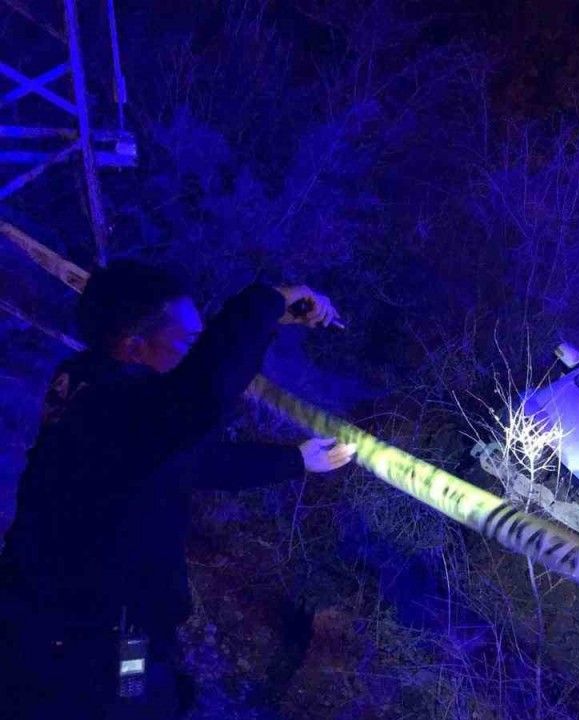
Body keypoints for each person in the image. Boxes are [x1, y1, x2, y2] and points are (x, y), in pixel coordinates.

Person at [0, 261, 355, 719]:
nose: (196, 353)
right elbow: (202, 393)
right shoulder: (110, 410)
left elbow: (186, 461)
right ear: (133, 348)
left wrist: (297, 459)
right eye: (188, 342)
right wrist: (267, 300)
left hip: (66, 626)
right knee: (131, 701)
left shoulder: (91, 392)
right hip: (86, 644)